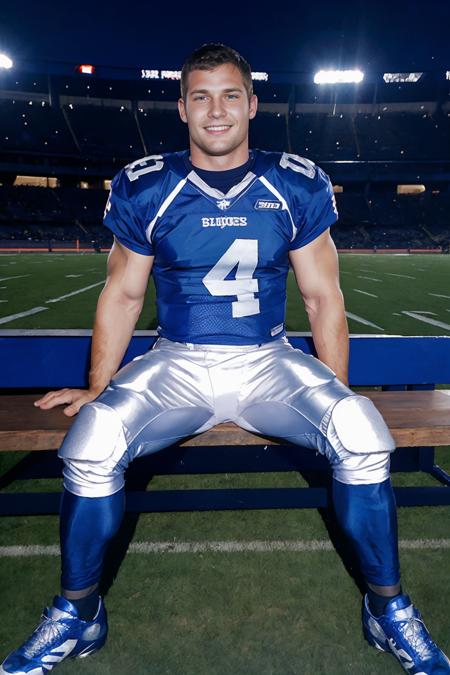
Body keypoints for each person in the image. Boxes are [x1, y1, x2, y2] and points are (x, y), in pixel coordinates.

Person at [2, 43, 449, 675]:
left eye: (230, 95)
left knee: (359, 431)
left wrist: (337, 395)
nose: (217, 111)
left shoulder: (292, 181)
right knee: (92, 438)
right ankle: (79, 613)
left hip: (268, 360)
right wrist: (97, 387)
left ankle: (387, 608)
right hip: (177, 362)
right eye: (202, 97)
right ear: (183, 108)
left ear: (252, 104)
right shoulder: (149, 184)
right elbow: (124, 295)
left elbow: (324, 300)